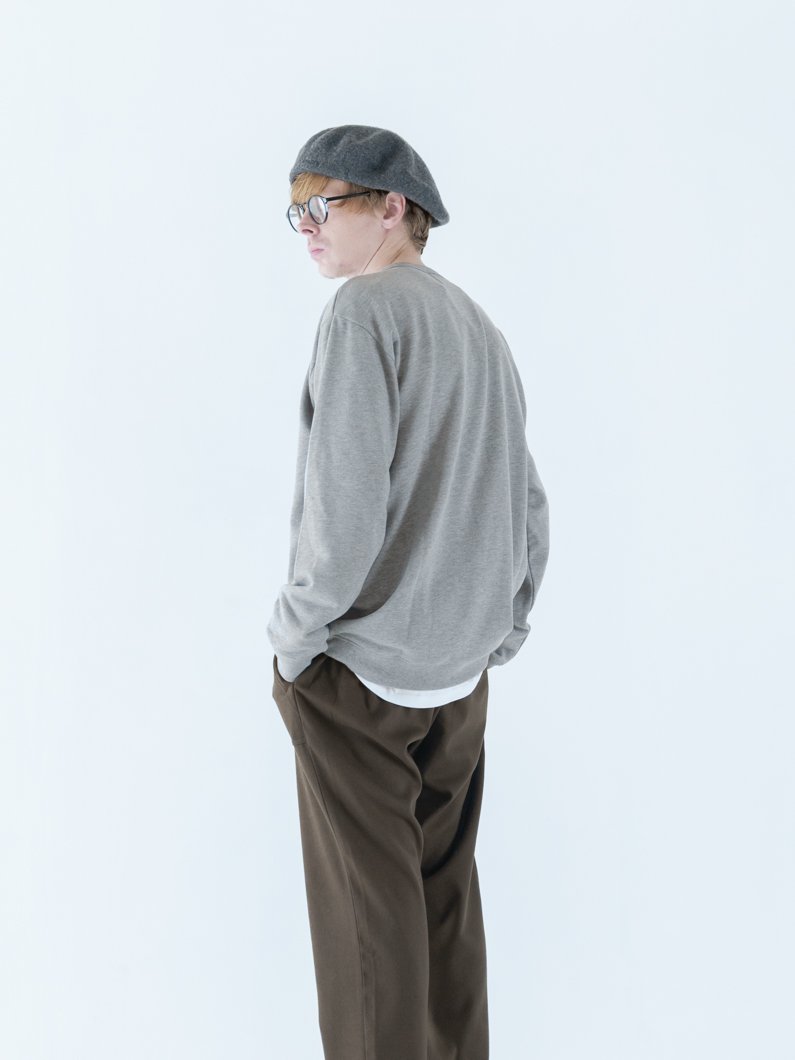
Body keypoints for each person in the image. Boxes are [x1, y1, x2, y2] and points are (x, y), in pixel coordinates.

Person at [267, 124, 550, 1060]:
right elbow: (527, 503)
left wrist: (293, 641)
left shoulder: (362, 313)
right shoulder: (479, 327)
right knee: (441, 912)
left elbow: (343, 517)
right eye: (295, 211)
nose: (307, 227)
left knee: (368, 934)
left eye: (322, 203)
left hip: (357, 678)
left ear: (392, 207)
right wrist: (501, 630)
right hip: (456, 681)